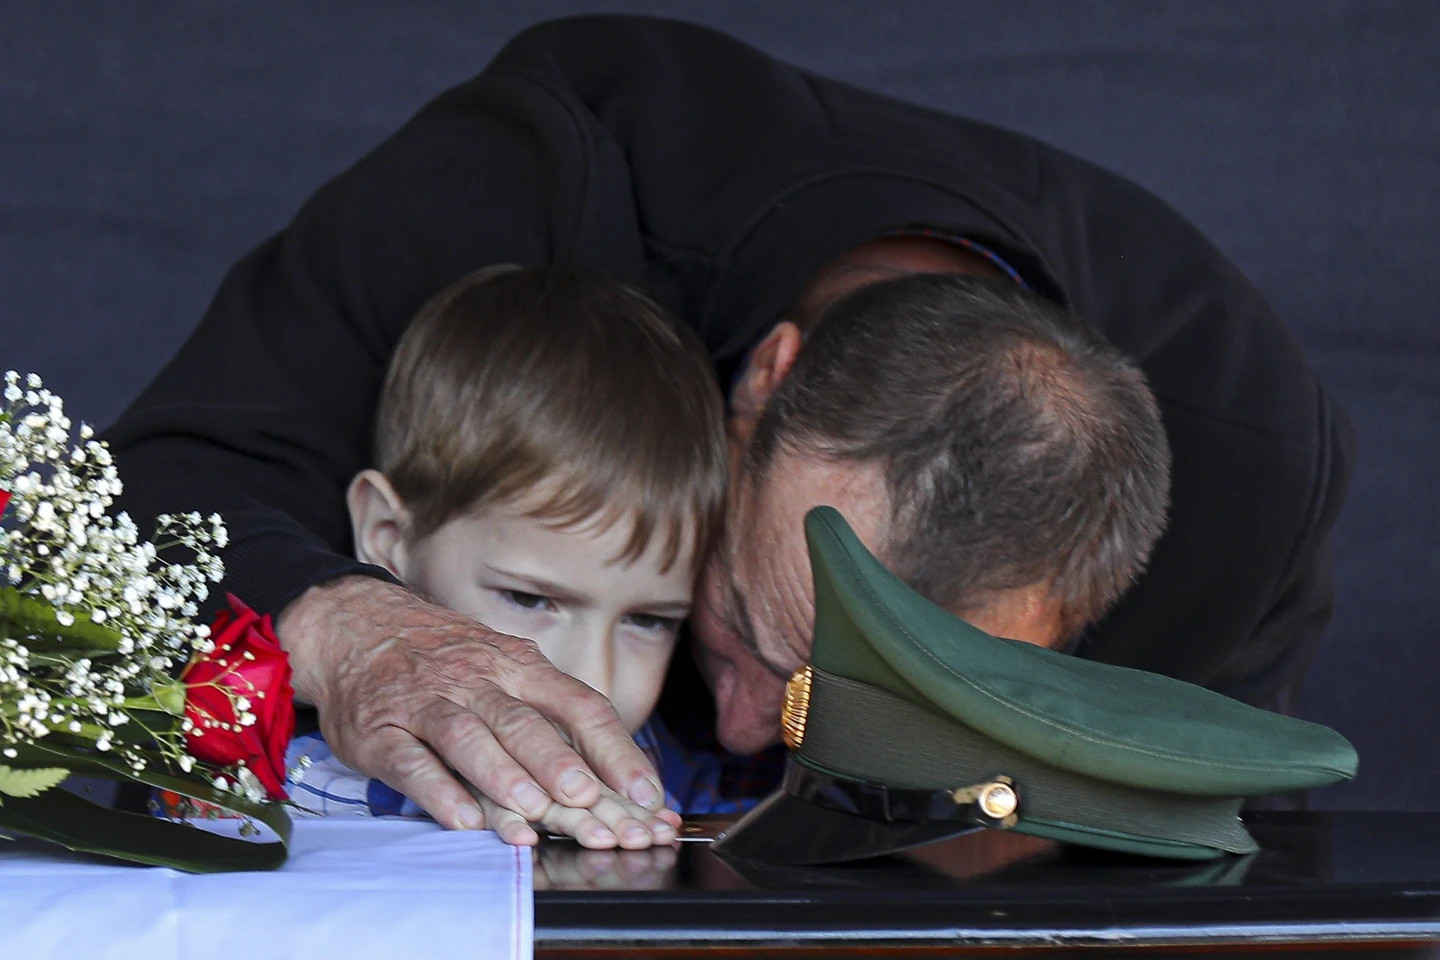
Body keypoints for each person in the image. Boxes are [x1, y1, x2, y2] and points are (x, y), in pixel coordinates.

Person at [104, 15, 1352, 841]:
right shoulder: (547, 174)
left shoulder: (1253, 479)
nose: (757, 726)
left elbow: (1214, 869)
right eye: (752, 627)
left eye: (927, 690)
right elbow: (166, 483)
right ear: (765, 379)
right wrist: (358, 633)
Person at [286, 264, 758, 847]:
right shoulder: (284, 791)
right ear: (386, 536)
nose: (596, 681)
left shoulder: (696, 787)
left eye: (648, 620)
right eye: (531, 598)